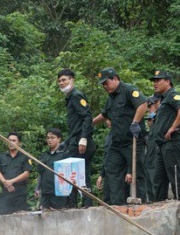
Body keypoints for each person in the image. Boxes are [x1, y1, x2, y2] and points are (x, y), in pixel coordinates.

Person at [92, 68, 149, 205]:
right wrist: (90, 123)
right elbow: (105, 114)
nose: (105, 87)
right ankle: (116, 204)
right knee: (112, 171)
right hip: (116, 142)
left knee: (137, 173)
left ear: (115, 78)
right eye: (103, 85)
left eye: (106, 83)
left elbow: (142, 104)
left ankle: (140, 203)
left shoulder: (129, 90)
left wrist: (135, 122)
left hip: (132, 140)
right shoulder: (111, 98)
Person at [57, 69, 95, 207]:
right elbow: (76, 125)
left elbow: (87, 117)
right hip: (74, 140)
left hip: (82, 142)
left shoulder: (76, 95)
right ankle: (71, 204)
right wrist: (66, 141)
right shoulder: (69, 97)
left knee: (82, 173)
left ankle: (87, 202)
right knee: (71, 173)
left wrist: (84, 138)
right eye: (59, 81)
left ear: (72, 80)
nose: (61, 83)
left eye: (64, 80)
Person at [149, 70, 180, 201]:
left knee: (175, 176)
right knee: (159, 179)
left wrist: (173, 127)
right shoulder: (162, 99)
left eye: (158, 80)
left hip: (173, 142)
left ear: (167, 81)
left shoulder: (172, 95)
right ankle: (158, 205)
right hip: (162, 144)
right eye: (154, 81)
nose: (155, 83)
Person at [0, 132, 32, 214]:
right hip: (5, 192)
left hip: (19, 194)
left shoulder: (25, 156)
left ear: (19, 143)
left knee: (20, 217)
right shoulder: (2, 156)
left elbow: (26, 173)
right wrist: (5, 182)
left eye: (14, 140)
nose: (11, 142)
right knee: (1, 215)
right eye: (9, 140)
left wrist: (11, 181)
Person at [35, 128, 69, 210]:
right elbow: (40, 173)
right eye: (48, 138)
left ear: (59, 139)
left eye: (52, 138)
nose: (49, 140)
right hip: (45, 192)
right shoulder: (44, 156)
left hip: (59, 193)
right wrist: (37, 188)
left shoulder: (64, 155)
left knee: (59, 216)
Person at [144, 95, 162, 203]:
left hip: (156, 161)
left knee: (156, 187)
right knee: (149, 190)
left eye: (150, 106)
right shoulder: (152, 127)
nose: (148, 110)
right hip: (149, 161)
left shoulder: (160, 122)